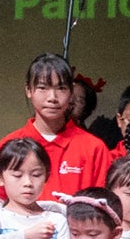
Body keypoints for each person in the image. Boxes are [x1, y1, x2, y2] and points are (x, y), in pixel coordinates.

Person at [14, 54, 112, 195]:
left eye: (61, 88)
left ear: (71, 92)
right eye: (42, 88)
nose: (52, 98)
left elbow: (106, 204)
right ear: (28, 90)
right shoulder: (10, 145)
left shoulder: (95, 148)